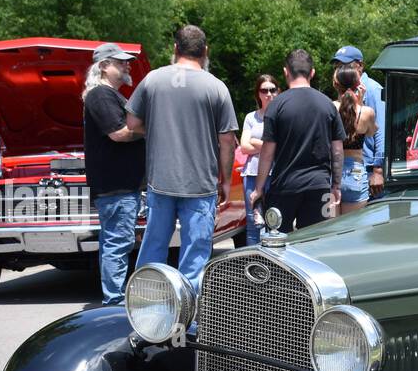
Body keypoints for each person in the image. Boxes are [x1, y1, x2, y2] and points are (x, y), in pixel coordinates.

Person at [125, 25, 237, 293]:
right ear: (205, 52)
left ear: (175, 49)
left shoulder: (153, 79)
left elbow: (131, 122)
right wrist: (226, 180)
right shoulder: (217, 87)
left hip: (161, 181)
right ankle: (190, 319)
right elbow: (227, 142)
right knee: (195, 257)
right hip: (201, 184)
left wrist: (157, 127)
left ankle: (148, 308)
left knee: (153, 248)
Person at [81, 42, 146, 305]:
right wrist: (152, 129)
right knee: (117, 243)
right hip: (116, 187)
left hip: (123, 187)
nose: (127, 65)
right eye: (120, 62)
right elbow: (118, 133)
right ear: (104, 66)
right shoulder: (100, 95)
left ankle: (115, 297)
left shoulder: (110, 95)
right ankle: (114, 300)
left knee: (119, 241)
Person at [255, 49, 345, 232]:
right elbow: (337, 151)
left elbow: (267, 152)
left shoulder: (276, 106)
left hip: (284, 187)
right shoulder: (328, 104)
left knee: (277, 244)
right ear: (312, 73)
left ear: (285, 72)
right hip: (319, 186)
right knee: (316, 242)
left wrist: (259, 188)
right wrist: (336, 185)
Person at [330, 46, 385, 198]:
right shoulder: (342, 95)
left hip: (366, 168)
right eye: (338, 66)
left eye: (346, 65)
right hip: (341, 168)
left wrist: (378, 170)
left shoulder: (373, 89)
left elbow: (381, 131)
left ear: (360, 65)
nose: (341, 69)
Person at [239, 73, 278, 244]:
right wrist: (269, 145)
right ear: (258, 93)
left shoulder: (281, 116)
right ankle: (253, 266)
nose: (268, 94)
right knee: (253, 223)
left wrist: (256, 142)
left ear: (278, 91)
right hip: (252, 175)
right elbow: (244, 147)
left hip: (275, 174)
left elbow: (282, 147)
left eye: (272, 90)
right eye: (264, 90)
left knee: (275, 222)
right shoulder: (251, 117)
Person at [332, 65, 378, 215]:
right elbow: (372, 132)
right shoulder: (366, 112)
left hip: (332, 172)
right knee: (353, 228)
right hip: (355, 173)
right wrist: (361, 103)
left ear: (335, 84)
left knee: (328, 231)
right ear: (358, 85)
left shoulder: (331, 107)